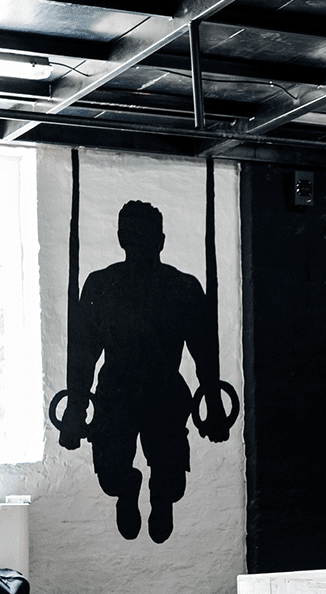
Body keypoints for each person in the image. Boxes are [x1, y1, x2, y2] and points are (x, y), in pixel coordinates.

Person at [58, 200, 231, 543]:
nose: (141, 243)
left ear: (161, 240)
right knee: (110, 475)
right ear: (122, 238)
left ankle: (161, 497)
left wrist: (213, 401)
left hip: (164, 392)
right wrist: (76, 408)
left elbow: (205, 352)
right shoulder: (101, 285)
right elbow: (83, 353)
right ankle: (127, 488)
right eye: (134, 236)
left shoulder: (183, 287)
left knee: (171, 479)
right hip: (116, 394)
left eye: (147, 236)